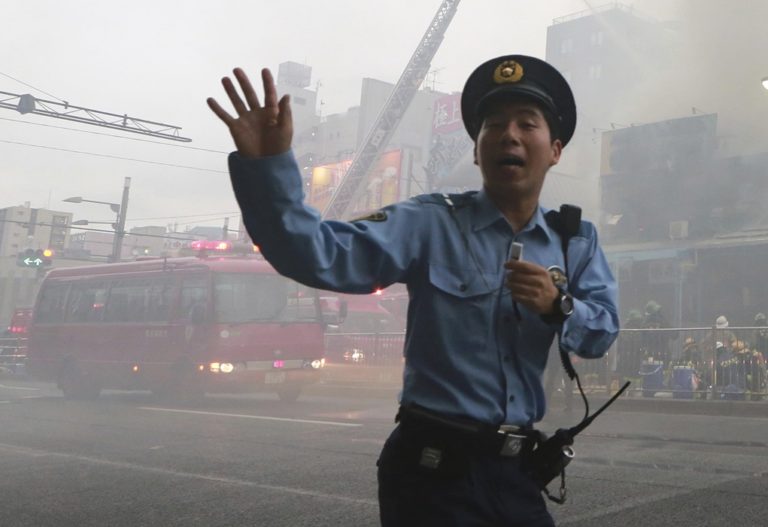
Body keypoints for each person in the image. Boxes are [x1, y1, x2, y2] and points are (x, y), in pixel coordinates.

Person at [208, 55, 619, 526]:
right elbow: (317, 253)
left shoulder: (575, 241)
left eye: (528, 124)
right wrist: (268, 166)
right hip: (432, 475)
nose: (510, 135)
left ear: (555, 150)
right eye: (494, 125)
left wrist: (559, 305)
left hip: (517, 475)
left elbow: (602, 332)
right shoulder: (430, 222)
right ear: (475, 149)